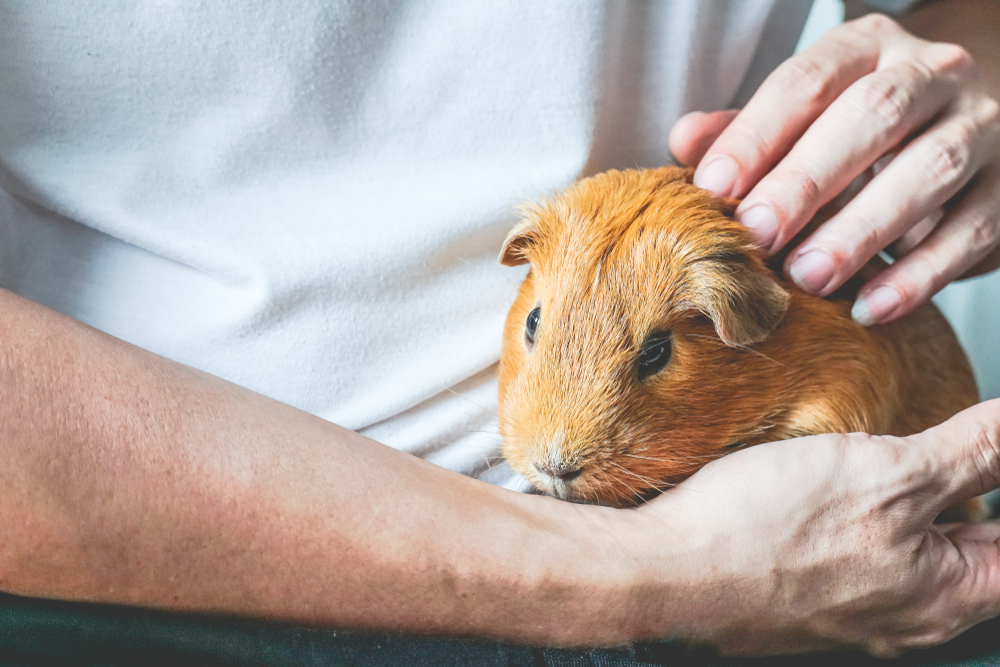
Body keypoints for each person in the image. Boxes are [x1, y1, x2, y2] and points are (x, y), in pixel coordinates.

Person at [0, 0, 998, 663]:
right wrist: (658, 575)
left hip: (818, 587)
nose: (560, 449)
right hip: (145, 608)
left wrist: (964, 96)